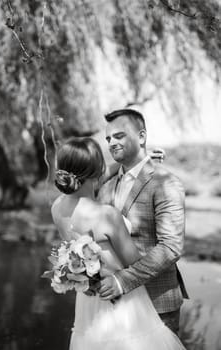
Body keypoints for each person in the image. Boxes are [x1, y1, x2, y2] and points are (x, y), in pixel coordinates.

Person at [51, 136, 186, 350]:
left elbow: (93, 176)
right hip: (122, 301)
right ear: (97, 170)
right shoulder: (106, 215)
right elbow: (133, 262)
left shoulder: (57, 207)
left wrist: (142, 161)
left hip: (88, 299)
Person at [98, 108, 188, 334]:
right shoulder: (107, 185)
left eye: (119, 136)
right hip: (115, 306)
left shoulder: (165, 183)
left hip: (157, 303)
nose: (111, 143)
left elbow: (170, 247)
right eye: (108, 138)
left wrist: (121, 281)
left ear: (141, 137)